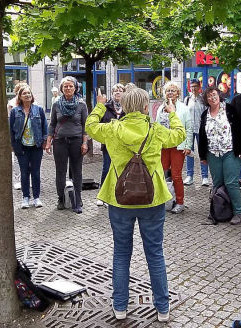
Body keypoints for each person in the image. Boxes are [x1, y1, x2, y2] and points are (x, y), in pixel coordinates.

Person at [85, 86, 185, 322]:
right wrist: (171, 112)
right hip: (152, 199)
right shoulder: (155, 129)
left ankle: (120, 307)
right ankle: (162, 308)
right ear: (144, 106)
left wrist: (100, 105)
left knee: (121, 253)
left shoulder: (112, 129)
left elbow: (89, 126)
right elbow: (180, 135)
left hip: (120, 199)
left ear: (122, 106)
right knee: (155, 253)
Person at [199, 85, 241, 224]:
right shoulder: (205, 114)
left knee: (231, 182)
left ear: (219, 95)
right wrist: (202, 155)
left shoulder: (230, 109)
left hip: (230, 151)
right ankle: (218, 211)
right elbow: (202, 135)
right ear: (206, 99)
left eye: (214, 94)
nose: (212, 98)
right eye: (209, 96)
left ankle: (237, 212)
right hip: (212, 153)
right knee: (217, 183)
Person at [46, 76, 90, 212]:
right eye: (65, 86)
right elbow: (52, 123)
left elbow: (85, 126)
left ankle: (78, 197)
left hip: (76, 142)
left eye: (71, 86)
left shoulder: (82, 104)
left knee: (77, 171)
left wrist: (85, 143)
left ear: (75, 88)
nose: (68, 88)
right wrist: (48, 142)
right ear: (61, 89)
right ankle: (61, 198)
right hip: (60, 142)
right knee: (60, 171)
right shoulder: (56, 104)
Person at [155, 82, 192, 214]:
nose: (170, 93)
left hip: (178, 146)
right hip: (163, 146)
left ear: (178, 93)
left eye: (173, 90)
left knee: (176, 175)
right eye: (168, 91)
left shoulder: (184, 108)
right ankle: (164, 200)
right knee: (162, 174)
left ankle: (180, 202)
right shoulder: (160, 108)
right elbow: (157, 127)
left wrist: (188, 146)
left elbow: (189, 128)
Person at [10, 84, 48, 209]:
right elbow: (11, 130)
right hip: (22, 147)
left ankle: (36, 197)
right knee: (24, 173)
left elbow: (44, 127)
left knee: (36, 173)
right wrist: (13, 146)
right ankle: (25, 197)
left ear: (32, 96)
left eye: (29, 93)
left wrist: (45, 141)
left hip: (36, 146)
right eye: (24, 93)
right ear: (20, 97)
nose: (27, 95)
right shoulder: (15, 111)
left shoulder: (39, 110)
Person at [95, 83, 125, 207]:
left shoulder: (128, 107)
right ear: (111, 93)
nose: (117, 92)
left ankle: (117, 194)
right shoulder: (106, 107)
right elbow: (98, 124)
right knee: (106, 169)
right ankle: (103, 195)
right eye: (115, 91)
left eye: (120, 90)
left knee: (121, 170)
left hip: (123, 145)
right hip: (108, 145)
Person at [184, 79, 210, 186]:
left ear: (199, 87)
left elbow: (207, 114)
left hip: (201, 130)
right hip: (190, 130)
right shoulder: (187, 100)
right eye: (192, 86)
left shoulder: (203, 100)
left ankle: (205, 177)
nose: (194, 88)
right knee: (189, 153)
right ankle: (189, 176)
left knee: (203, 153)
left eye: (196, 86)